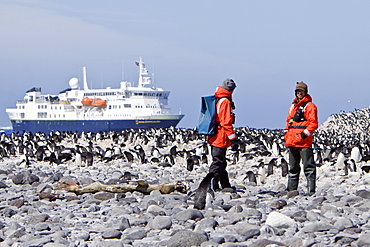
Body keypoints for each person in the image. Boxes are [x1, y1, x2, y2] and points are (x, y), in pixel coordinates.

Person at [284, 81, 318, 196]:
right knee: (293, 168)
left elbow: (313, 123)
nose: (300, 93)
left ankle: (311, 191)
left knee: (309, 167)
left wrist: (304, 134)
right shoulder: (292, 106)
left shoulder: (310, 106)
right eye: (298, 91)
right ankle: (291, 190)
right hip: (292, 141)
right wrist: (286, 135)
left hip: (303, 143)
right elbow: (288, 122)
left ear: (305, 92)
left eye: (302, 91)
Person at [208, 79, 238, 191]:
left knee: (221, 162)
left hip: (214, 135)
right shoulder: (225, 101)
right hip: (220, 136)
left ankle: (225, 185)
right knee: (218, 162)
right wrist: (233, 139)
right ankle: (210, 185)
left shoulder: (218, 98)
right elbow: (226, 122)